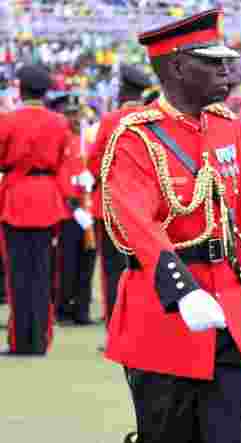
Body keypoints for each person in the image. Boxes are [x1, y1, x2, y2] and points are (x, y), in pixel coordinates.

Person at [78, 10, 241, 443]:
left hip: (226, 308)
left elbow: (236, 199)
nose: (228, 72)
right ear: (178, 67)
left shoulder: (228, 127)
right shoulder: (134, 136)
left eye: (227, 62)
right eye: (213, 64)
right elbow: (133, 219)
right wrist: (181, 290)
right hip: (165, 312)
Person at [0, 64, 73, 355]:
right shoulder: (59, 122)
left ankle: (21, 341)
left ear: (21, 89)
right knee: (44, 274)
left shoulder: (8, 120)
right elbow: (63, 162)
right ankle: (40, 340)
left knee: (17, 274)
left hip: (16, 196)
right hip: (47, 199)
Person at [87, 64, 154, 325]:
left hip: (112, 207)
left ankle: (117, 326)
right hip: (147, 208)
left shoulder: (111, 120)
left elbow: (95, 164)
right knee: (145, 269)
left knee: (113, 271)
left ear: (123, 89)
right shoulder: (152, 117)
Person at [55, 93, 99, 325]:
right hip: (68, 210)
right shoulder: (60, 142)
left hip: (89, 210)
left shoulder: (87, 143)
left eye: (77, 114)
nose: (74, 119)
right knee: (67, 263)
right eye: (70, 114)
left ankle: (82, 310)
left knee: (87, 261)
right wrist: (72, 203)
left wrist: (90, 180)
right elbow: (58, 176)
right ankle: (63, 309)